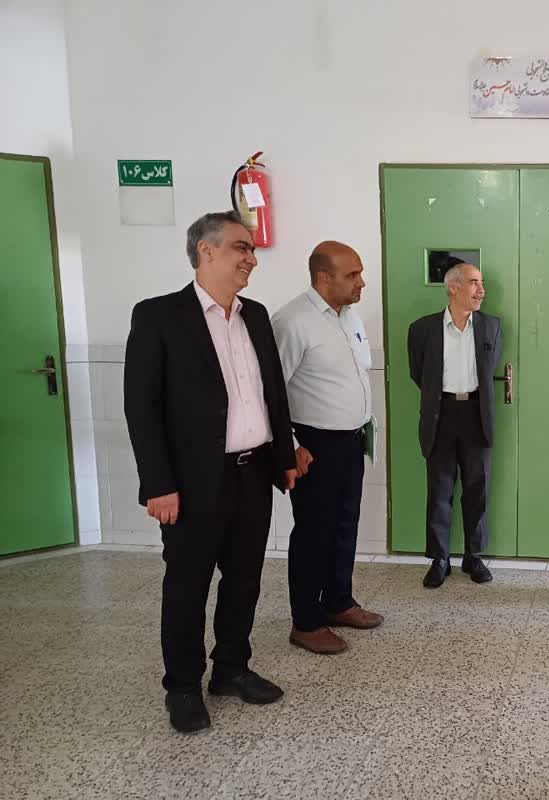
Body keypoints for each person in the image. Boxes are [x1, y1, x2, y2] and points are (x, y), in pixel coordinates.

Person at [124, 211, 297, 734]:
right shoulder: (159, 316)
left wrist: (284, 456)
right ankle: (182, 686)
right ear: (207, 250)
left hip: (252, 473)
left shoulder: (255, 316)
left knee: (244, 579)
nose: (252, 259)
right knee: (187, 584)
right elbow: (142, 408)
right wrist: (158, 484)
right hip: (192, 483)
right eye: (242, 247)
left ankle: (231, 670)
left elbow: (273, 393)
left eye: (252, 250)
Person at [271, 241, 384, 656]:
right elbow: (271, 392)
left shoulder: (348, 316)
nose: (362, 282)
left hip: (351, 440)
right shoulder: (292, 321)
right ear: (323, 277)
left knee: (344, 524)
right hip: (314, 445)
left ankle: (338, 602)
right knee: (314, 532)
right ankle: (306, 621)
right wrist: (291, 445)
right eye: (352, 275)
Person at [407, 263, 503, 588]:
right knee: (440, 490)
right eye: (474, 283)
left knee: (477, 489)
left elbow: (489, 370)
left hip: (477, 415)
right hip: (441, 414)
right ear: (453, 287)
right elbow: (418, 373)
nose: (481, 290)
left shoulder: (491, 327)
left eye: (482, 283)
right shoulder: (422, 329)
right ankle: (440, 560)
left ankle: (473, 557)